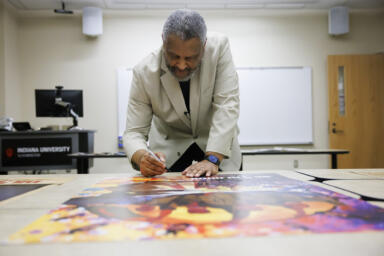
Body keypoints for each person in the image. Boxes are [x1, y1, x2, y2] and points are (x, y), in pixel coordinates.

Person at [123, 9, 241, 178]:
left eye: (190, 58)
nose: (181, 65)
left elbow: (227, 105)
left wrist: (213, 158)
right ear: (164, 42)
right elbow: (134, 132)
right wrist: (142, 157)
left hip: (218, 150)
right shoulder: (144, 72)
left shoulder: (219, 48)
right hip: (170, 154)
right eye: (174, 56)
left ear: (204, 46)